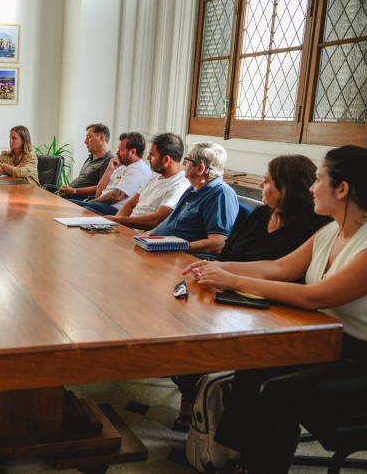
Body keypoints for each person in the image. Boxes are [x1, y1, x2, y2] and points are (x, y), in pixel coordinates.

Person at [181, 145, 367, 473]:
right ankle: (237, 457)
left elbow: (314, 297)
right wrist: (219, 270)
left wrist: (231, 278)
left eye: (319, 180)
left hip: (357, 358)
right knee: (255, 361)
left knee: (279, 393)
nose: (311, 187)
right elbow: (280, 268)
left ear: (342, 189)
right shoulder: (329, 231)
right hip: (326, 341)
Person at [170, 154, 330, 432]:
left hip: (277, 309)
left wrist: (230, 278)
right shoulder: (260, 214)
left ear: (288, 188)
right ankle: (196, 401)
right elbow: (235, 255)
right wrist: (212, 268)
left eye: (267, 182)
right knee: (185, 322)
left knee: (222, 349)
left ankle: (228, 445)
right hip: (232, 293)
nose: (260, 186)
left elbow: (293, 279)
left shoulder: (316, 227)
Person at [150, 142, 238, 255]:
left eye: (187, 159)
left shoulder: (221, 194)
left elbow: (217, 244)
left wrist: (173, 246)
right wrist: (152, 234)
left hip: (182, 257)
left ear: (200, 168)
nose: (183, 163)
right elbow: (173, 222)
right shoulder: (192, 188)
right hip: (161, 249)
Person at [105, 132, 190, 230]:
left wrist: (117, 221)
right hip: (127, 229)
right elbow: (130, 204)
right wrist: (116, 226)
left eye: (152, 155)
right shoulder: (154, 176)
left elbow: (156, 220)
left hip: (142, 238)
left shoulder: (179, 185)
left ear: (166, 160)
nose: (148, 158)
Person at [70, 132, 151, 215]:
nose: (117, 153)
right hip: (102, 205)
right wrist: (109, 169)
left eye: (121, 150)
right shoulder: (121, 166)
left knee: (71, 205)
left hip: (114, 209)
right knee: (68, 204)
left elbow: (116, 196)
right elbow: (98, 193)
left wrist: (90, 202)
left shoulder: (139, 169)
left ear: (133, 152)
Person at [57, 123, 113, 199]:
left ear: (101, 137)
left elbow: (101, 188)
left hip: (81, 202)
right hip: (70, 197)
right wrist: (67, 191)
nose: (85, 141)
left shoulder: (109, 161)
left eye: (89, 137)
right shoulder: (90, 158)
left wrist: (73, 191)